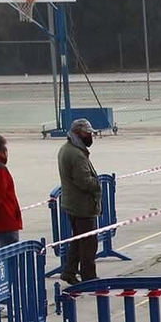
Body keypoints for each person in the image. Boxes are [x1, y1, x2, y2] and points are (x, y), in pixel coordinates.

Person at [56, 119, 102, 286]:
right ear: (79, 133)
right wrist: (97, 184)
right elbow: (84, 181)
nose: (90, 136)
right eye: (87, 133)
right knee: (88, 243)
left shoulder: (68, 150)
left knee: (78, 240)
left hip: (73, 204)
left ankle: (69, 271)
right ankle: (89, 277)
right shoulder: (76, 154)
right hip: (82, 206)